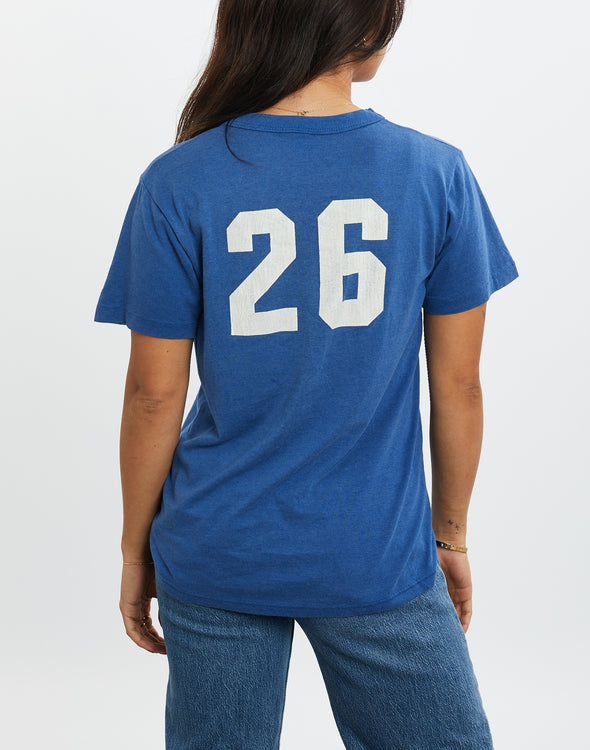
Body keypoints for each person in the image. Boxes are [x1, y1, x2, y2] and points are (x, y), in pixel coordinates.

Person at [93, 1, 518, 747]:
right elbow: (460, 387)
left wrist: (136, 551)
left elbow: (152, 396)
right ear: (360, 28)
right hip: (375, 550)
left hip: (217, 544)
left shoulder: (177, 180)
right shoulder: (435, 172)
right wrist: (449, 537)